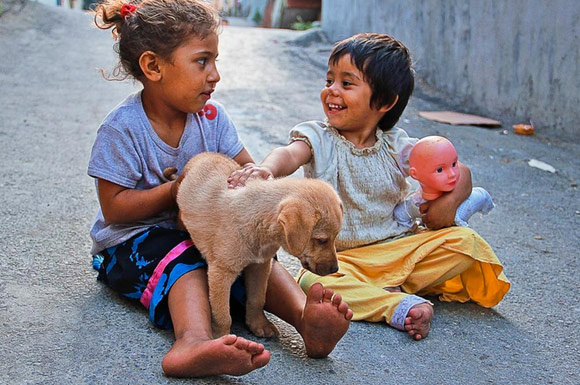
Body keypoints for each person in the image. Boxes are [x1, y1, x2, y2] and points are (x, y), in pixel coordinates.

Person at [88, 0, 352, 378]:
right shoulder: (122, 129)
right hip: (137, 240)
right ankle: (193, 340)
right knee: (187, 262)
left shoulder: (212, 117)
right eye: (202, 61)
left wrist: (256, 180)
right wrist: (175, 191)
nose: (215, 75)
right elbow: (114, 210)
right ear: (153, 66)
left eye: (216, 61)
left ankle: (304, 319)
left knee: (258, 247)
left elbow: (248, 169)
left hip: (211, 228)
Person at [228, 33, 510, 341]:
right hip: (345, 260)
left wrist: (450, 200)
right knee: (312, 283)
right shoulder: (319, 138)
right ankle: (398, 303)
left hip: (399, 248)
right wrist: (266, 169)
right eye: (329, 80)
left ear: (385, 102)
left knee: (466, 242)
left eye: (346, 84)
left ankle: (387, 285)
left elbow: (461, 170)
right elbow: (290, 153)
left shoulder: (397, 146)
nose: (331, 91)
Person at [393, 135, 495, 228]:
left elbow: (482, 195)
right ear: (415, 174)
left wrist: (450, 201)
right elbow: (400, 215)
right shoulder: (417, 202)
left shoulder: (465, 205)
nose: (452, 174)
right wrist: (412, 232)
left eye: (454, 164)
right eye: (440, 170)